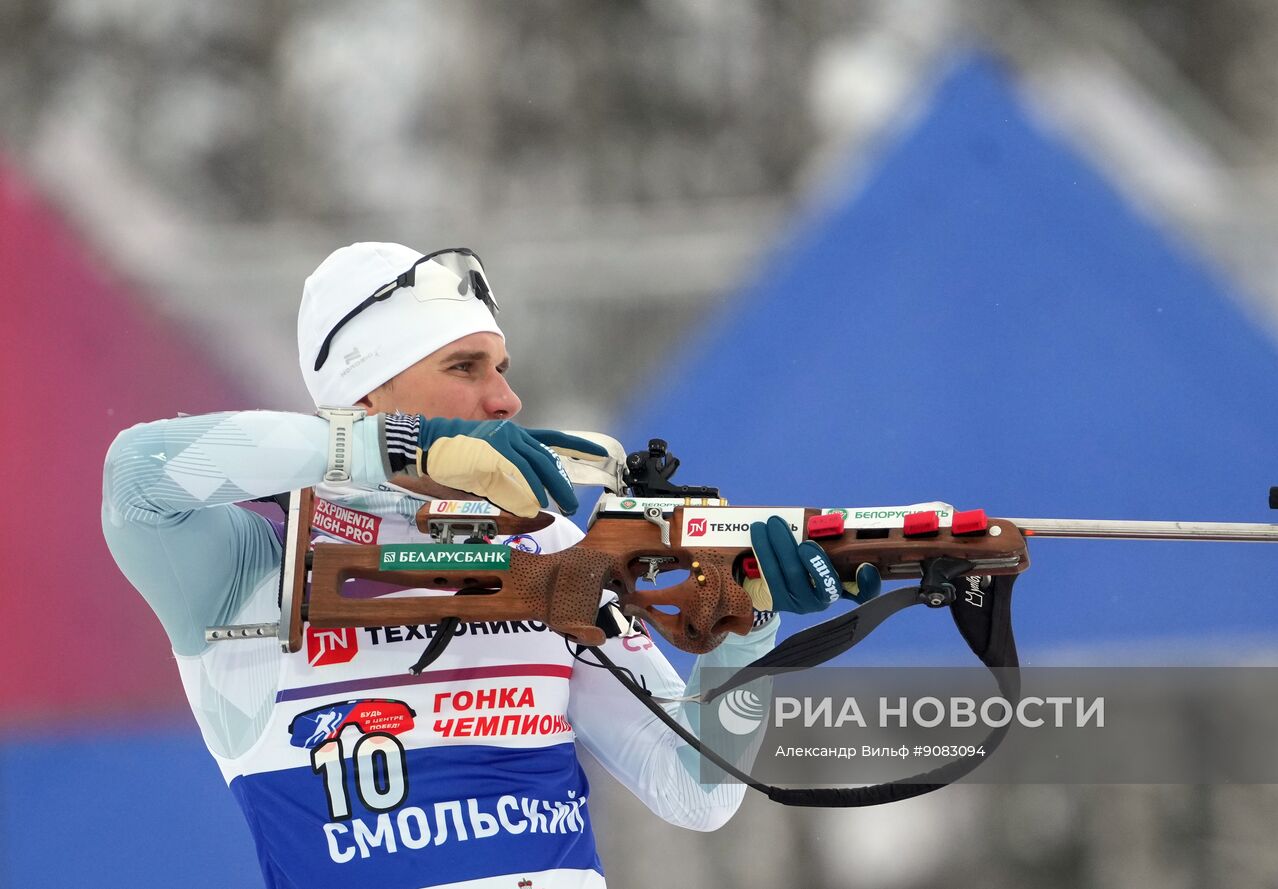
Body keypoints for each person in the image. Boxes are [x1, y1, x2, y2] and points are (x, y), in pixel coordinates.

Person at [102, 242, 875, 889]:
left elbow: (694, 784)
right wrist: (398, 447)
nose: (506, 398)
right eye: (466, 366)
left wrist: (745, 628)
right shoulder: (258, 570)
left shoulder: (549, 549)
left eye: (501, 366)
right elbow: (135, 478)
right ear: (368, 396)